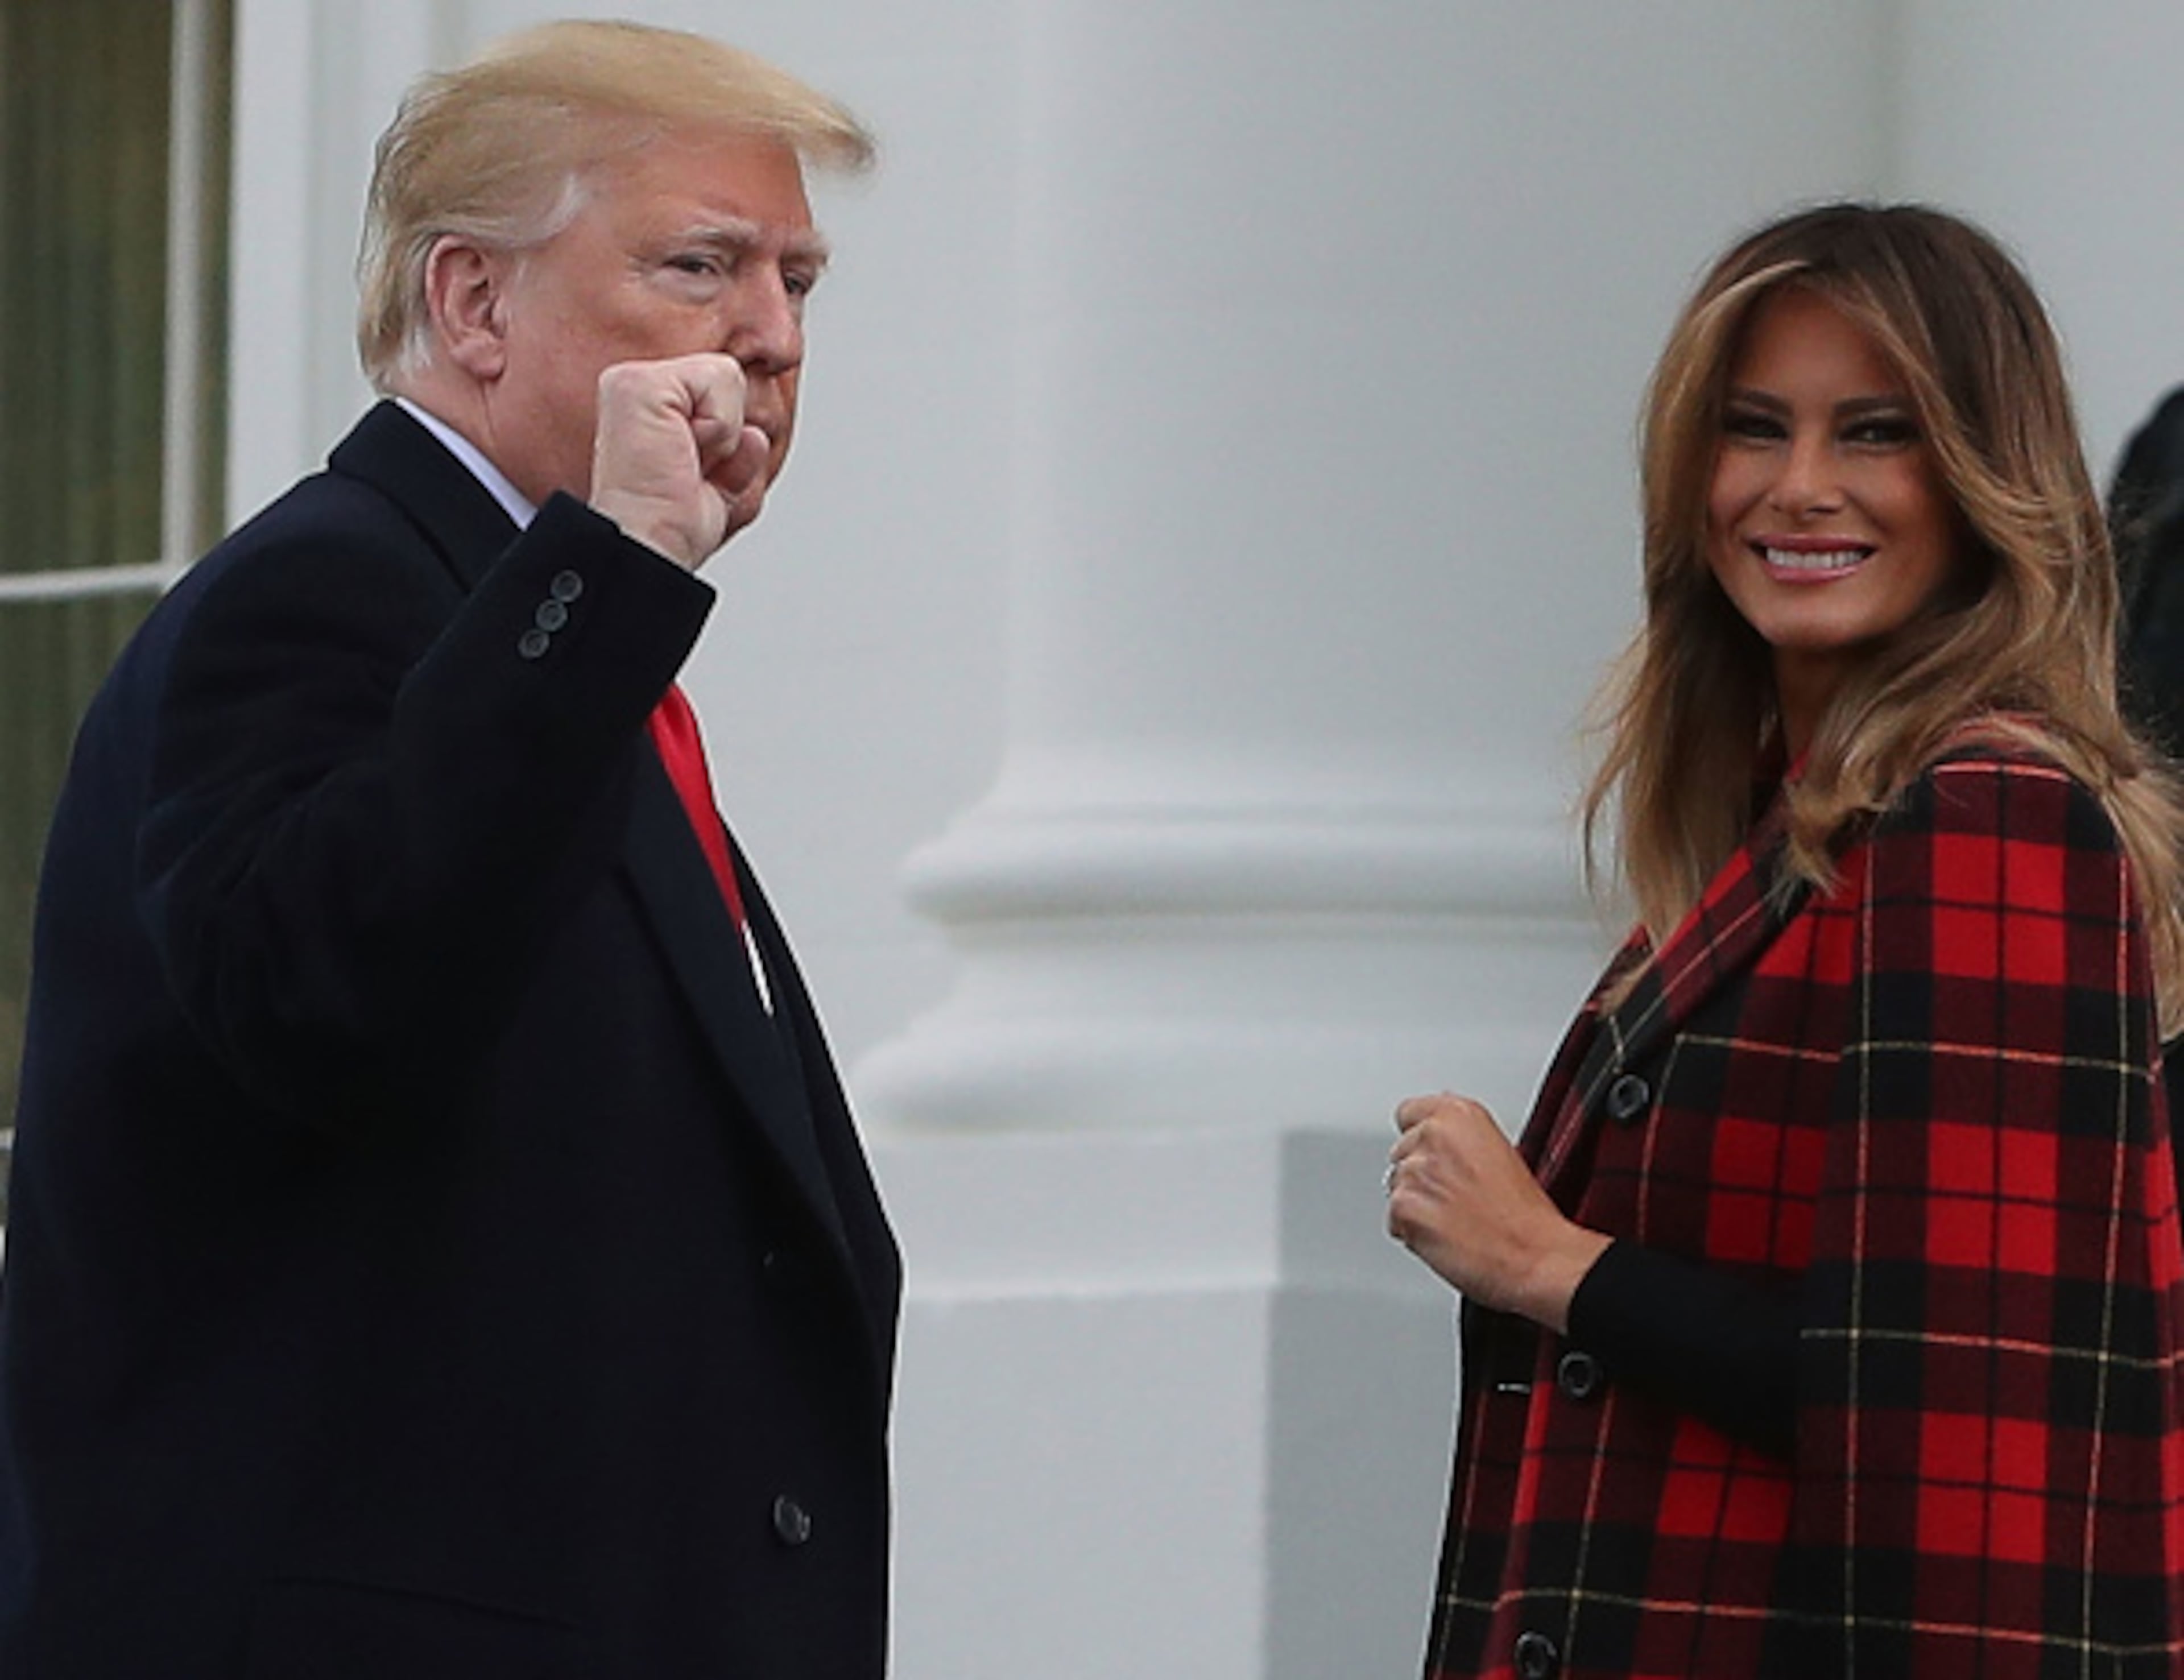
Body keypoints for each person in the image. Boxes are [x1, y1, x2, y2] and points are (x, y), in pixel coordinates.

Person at [0, 20, 899, 1678]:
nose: (771, 338)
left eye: (800, 282)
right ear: (472, 303)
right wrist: (613, 573)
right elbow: (338, 987)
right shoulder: (332, 588)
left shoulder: (556, 644)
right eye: (702, 266)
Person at [1385, 203, 2184, 1677]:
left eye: (1875, 433)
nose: (1803, 487)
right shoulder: (1791, 832)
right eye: (1756, 429)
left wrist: (1555, 1262)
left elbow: (1968, 1430)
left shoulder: (1988, 811)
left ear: (1982, 478)